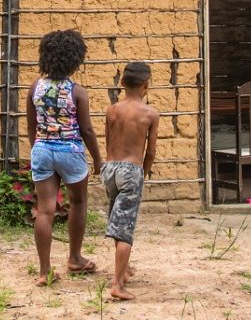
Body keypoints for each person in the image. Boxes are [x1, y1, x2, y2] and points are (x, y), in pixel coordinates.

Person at [27, 29, 102, 286]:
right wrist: (98, 159)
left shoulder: (35, 88)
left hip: (42, 150)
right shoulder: (77, 92)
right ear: (75, 59)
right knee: (78, 203)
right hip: (70, 152)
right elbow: (87, 130)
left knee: (45, 211)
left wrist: (39, 148)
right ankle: (74, 258)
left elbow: (31, 126)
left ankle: (44, 271)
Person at [101, 61, 159, 301]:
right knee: (125, 229)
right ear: (146, 85)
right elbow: (151, 151)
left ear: (122, 83)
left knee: (117, 220)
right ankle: (117, 284)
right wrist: (142, 172)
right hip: (131, 169)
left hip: (110, 169)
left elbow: (108, 141)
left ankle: (122, 272)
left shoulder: (112, 110)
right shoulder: (150, 113)